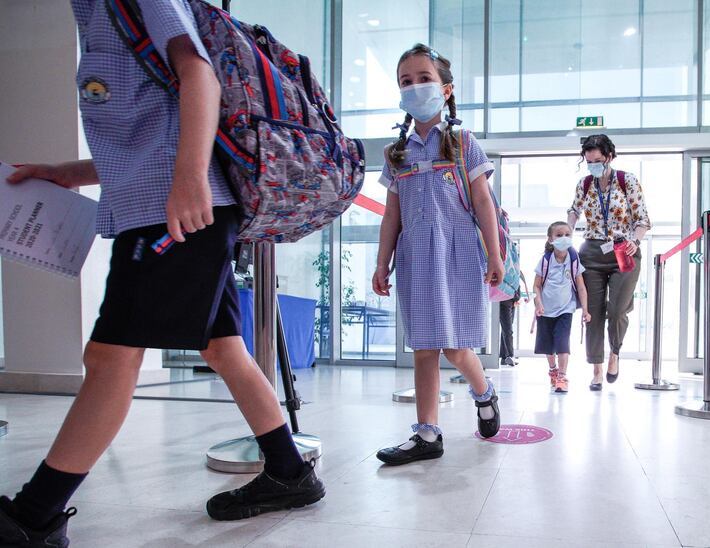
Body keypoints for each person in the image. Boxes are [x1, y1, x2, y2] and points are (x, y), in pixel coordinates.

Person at [0, 2, 324, 546]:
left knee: (108, 359)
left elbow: (197, 71)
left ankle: (34, 518)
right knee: (223, 349)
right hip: (180, 203)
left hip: (170, 211)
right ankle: (290, 473)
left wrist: (191, 177)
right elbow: (149, 132)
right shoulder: (93, 12)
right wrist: (67, 174)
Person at [372, 43, 504, 465]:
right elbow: (392, 214)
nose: (415, 87)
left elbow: (484, 204)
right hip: (416, 257)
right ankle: (427, 433)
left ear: (446, 90)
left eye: (424, 79)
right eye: (405, 82)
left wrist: (496, 257)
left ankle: (484, 394)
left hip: (460, 253)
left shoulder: (463, 143)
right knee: (423, 346)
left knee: (456, 348)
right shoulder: (398, 154)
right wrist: (381, 261)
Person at [567, 134, 651, 391]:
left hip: (623, 250)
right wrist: (567, 231)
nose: (594, 165)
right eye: (589, 160)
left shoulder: (627, 181)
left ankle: (615, 352)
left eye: (599, 160)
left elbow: (642, 219)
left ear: (610, 157)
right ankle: (596, 368)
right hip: (591, 251)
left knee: (617, 310)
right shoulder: (585, 184)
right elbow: (573, 210)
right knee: (592, 314)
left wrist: (635, 241)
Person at [532, 222, 590, 393]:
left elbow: (581, 287)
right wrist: (539, 304)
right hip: (545, 310)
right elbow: (536, 286)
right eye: (559, 235)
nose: (564, 238)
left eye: (567, 234)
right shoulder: (545, 261)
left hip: (566, 309)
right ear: (550, 239)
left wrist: (585, 310)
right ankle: (553, 369)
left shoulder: (574, 261)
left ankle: (562, 377)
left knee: (563, 343)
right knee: (548, 346)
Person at [499, 268, 529, 366]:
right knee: (508, 331)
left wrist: (517, 298)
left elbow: (517, 284)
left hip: (511, 301)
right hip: (504, 301)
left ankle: (504, 357)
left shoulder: (514, 269)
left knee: (506, 330)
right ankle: (510, 356)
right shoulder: (505, 267)